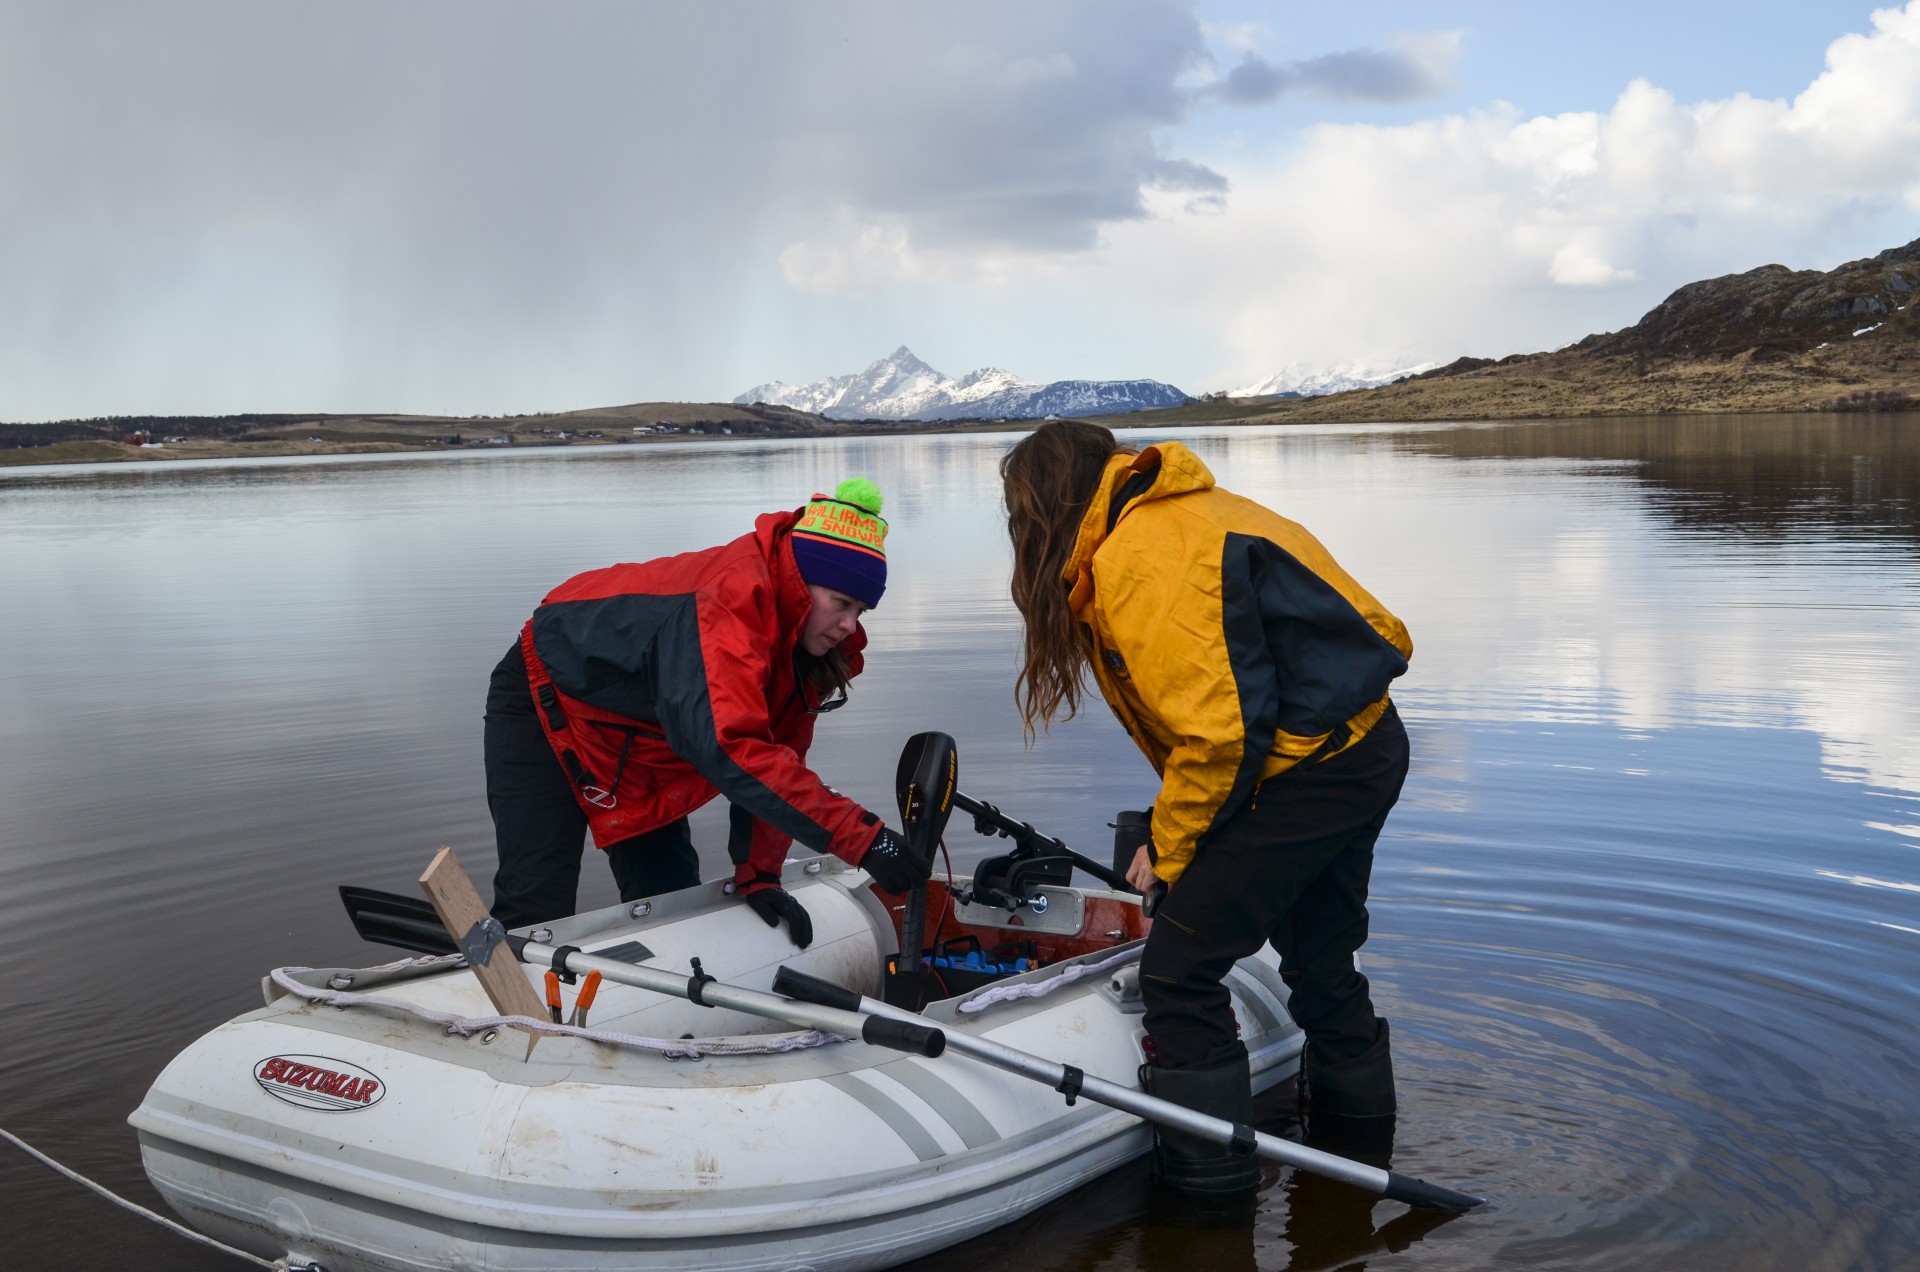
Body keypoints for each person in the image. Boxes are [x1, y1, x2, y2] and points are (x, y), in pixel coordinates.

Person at [1000, 422, 1413, 1194]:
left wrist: (1171, 845)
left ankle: (1211, 1202)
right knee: (1321, 960)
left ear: (1048, 502)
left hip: (1313, 772)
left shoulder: (1139, 554)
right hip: (1359, 749)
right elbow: (1233, 710)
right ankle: (1360, 1162)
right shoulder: (1182, 515)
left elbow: (1219, 734)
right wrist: (1171, 831)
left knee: (1181, 970)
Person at [483, 477, 930, 943]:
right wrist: (862, 838)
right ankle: (504, 1007)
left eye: (860, 610)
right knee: (537, 901)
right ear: (800, 580)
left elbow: (780, 758)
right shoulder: (728, 606)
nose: (848, 625)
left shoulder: (803, 646)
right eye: (841, 603)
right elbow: (731, 747)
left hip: (641, 732)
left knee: (669, 897)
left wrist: (760, 874)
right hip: (542, 697)